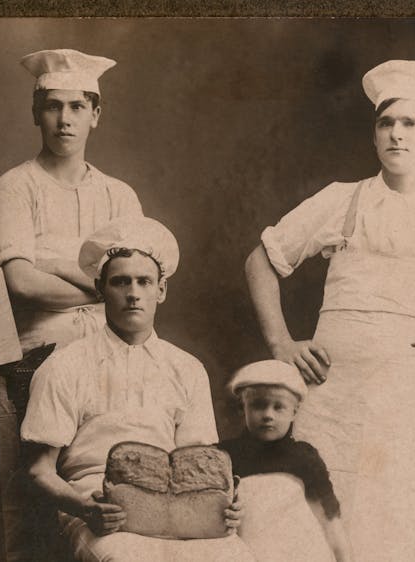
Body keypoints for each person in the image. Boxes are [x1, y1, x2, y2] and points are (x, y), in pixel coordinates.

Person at [244, 59, 415, 561]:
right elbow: (261, 261)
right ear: (374, 134)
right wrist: (282, 344)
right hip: (325, 399)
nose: (396, 134)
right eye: (385, 123)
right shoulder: (342, 201)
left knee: (387, 530)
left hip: (397, 404)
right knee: (304, 527)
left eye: (410, 123)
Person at [21, 216, 256, 561]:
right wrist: (85, 508)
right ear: (101, 290)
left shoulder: (187, 368)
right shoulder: (65, 365)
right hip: (98, 505)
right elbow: (38, 471)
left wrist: (226, 502)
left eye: (144, 281)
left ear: (161, 290)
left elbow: (199, 467)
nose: (133, 294)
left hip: (177, 507)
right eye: (120, 282)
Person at [0, 48, 143, 559]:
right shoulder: (14, 186)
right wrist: (102, 284)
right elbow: (20, 283)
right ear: (36, 112)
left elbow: (132, 286)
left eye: (77, 107)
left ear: (96, 114)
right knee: (29, 502)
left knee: (106, 492)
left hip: (109, 362)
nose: (64, 119)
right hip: (35, 359)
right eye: (53, 106)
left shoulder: (120, 196)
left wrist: (52, 263)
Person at [219, 360, 353, 562]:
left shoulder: (304, 457)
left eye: (278, 407)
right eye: (258, 405)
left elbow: (330, 517)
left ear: (294, 412)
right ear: (242, 408)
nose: (268, 415)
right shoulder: (225, 456)